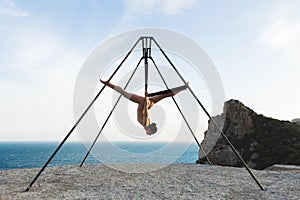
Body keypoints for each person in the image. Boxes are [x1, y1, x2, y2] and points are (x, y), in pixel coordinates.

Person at [100, 79, 189, 135]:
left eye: (150, 134)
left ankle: (183, 88)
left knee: (165, 95)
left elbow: (146, 111)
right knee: (124, 93)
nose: (149, 134)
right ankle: (107, 83)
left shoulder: (147, 124)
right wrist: (146, 97)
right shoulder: (146, 124)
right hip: (144, 103)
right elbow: (146, 111)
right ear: (149, 129)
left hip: (150, 104)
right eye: (151, 133)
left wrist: (147, 100)